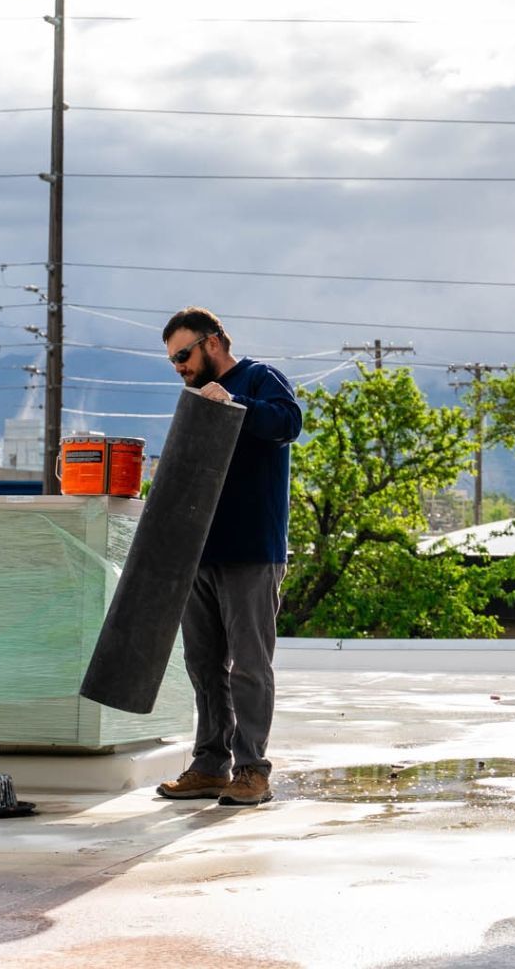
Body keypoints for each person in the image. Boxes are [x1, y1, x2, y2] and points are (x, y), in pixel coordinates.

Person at [156, 306, 302, 807]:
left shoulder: (259, 378)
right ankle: (210, 765)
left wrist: (234, 401)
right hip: (199, 553)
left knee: (249, 666)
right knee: (203, 664)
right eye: (172, 360)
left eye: (183, 354)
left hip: (251, 552)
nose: (179, 366)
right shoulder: (196, 399)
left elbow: (288, 423)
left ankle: (252, 770)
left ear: (213, 342)